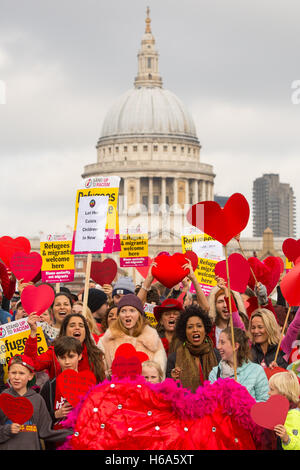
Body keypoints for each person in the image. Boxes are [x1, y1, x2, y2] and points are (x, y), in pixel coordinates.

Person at [0, 355, 72, 450]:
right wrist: (7, 430)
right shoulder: (2, 398)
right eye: (13, 373)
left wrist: (73, 434)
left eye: (21, 373)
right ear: (8, 374)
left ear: (30, 376)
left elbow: (45, 431)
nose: (16, 377)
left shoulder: (38, 400)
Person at [98, 294, 167, 377]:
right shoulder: (106, 340)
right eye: (123, 311)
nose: (127, 314)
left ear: (139, 314)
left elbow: (160, 373)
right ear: (119, 315)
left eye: (132, 310)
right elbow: (99, 373)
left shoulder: (152, 340)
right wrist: (108, 375)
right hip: (116, 388)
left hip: (145, 389)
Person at [24, 312, 106, 383]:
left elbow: (101, 383)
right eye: (72, 325)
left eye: (81, 325)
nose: (77, 328)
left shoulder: (95, 353)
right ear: (65, 330)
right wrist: (33, 332)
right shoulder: (54, 351)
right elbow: (32, 364)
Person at [40, 336, 85, 449]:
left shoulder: (89, 383)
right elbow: (40, 418)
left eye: (71, 356)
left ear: (79, 356)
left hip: (82, 440)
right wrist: (55, 414)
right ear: (57, 358)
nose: (67, 362)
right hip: (56, 442)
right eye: (62, 357)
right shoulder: (49, 386)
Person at [166, 305, 219, 392]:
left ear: (205, 329)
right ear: (184, 332)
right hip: (185, 404)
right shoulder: (174, 358)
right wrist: (173, 379)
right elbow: (169, 391)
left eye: (199, 326)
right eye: (190, 327)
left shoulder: (216, 355)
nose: (195, 330)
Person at [209, 327, 269, 402]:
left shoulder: (257, 371)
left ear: (235, 346)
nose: (218, 347)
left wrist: (243, 402)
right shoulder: (215, 373)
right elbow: (211, 403)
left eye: (222, 342)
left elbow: (265, 402)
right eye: (218, 342)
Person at [268, 370, 300, 450]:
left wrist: (286, 439)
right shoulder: (276, 410)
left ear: (283, 396)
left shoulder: (293, 415)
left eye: (272, 390)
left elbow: (298, 444)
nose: (268, 393)